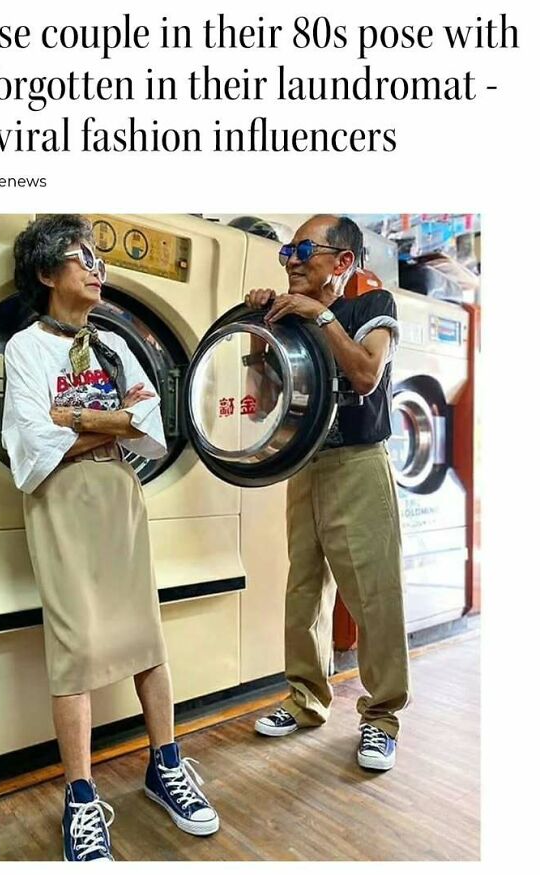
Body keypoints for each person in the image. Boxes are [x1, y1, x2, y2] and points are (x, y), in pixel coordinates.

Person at [2, 214, 219, 862]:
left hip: (121, 493)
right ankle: (81, 798)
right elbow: (33, 442)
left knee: (145, 633)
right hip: (61, 499)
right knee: (75, 646)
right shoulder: (24, 349)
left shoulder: (115, 345)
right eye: (82, 257)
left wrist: (74, 417)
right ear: (48, 273)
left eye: (99, 258)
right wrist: (112, 420)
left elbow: (149, 422)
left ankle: (165, 764)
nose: (97, 269)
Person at [247, 214, 410, 771]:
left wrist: (319, 315)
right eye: (287, 251)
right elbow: (264, 405)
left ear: (342, 261)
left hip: (359, 463)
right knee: (304, 591)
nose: (291, 260)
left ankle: (381, 718)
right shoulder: (287, 321)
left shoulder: (372, 307)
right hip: (306, 464)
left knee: (374, 596)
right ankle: (306, 700)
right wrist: (259, 336)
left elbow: (365, 375)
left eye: (304, 250)